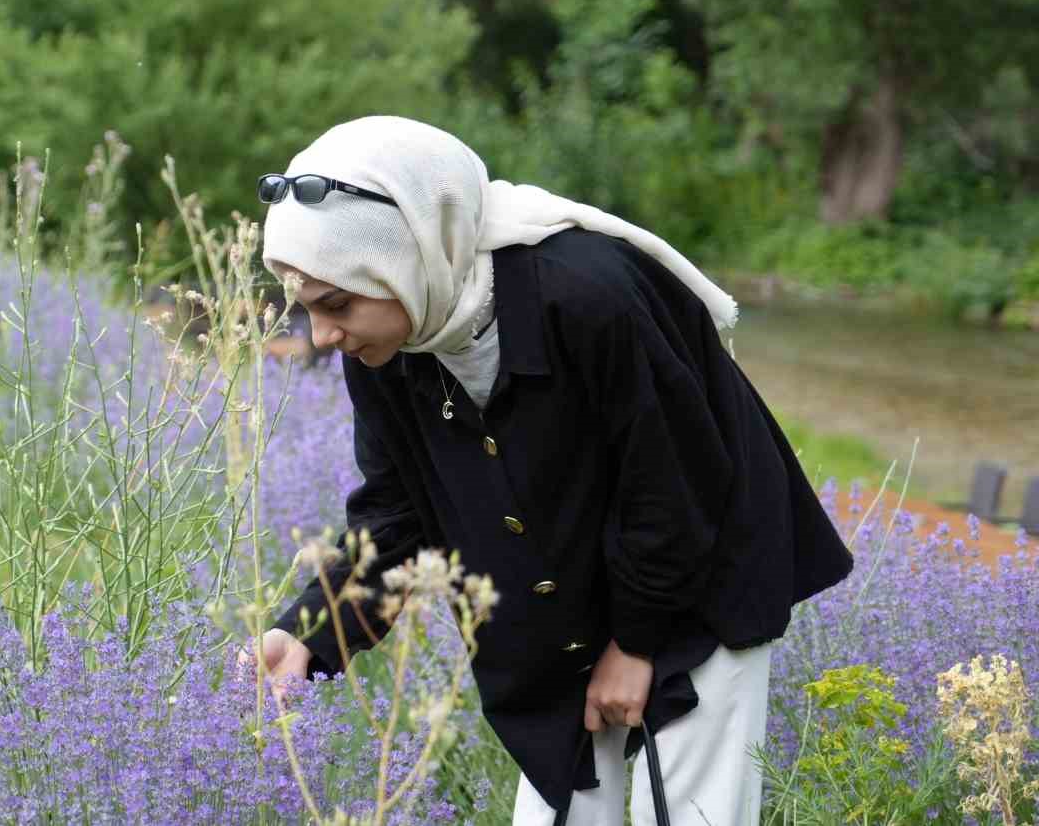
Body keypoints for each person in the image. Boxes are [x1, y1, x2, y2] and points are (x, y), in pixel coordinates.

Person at [245, 116, 854, 823]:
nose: (322, 336)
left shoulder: (587, 293)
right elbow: (396, 513)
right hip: (563, 607)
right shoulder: (388, 344)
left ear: (405, 256)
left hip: (703, 577)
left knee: (693, 812)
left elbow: (675, 484)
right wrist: (310, 634)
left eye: (337, 305)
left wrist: (636, 643)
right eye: (307, 310)